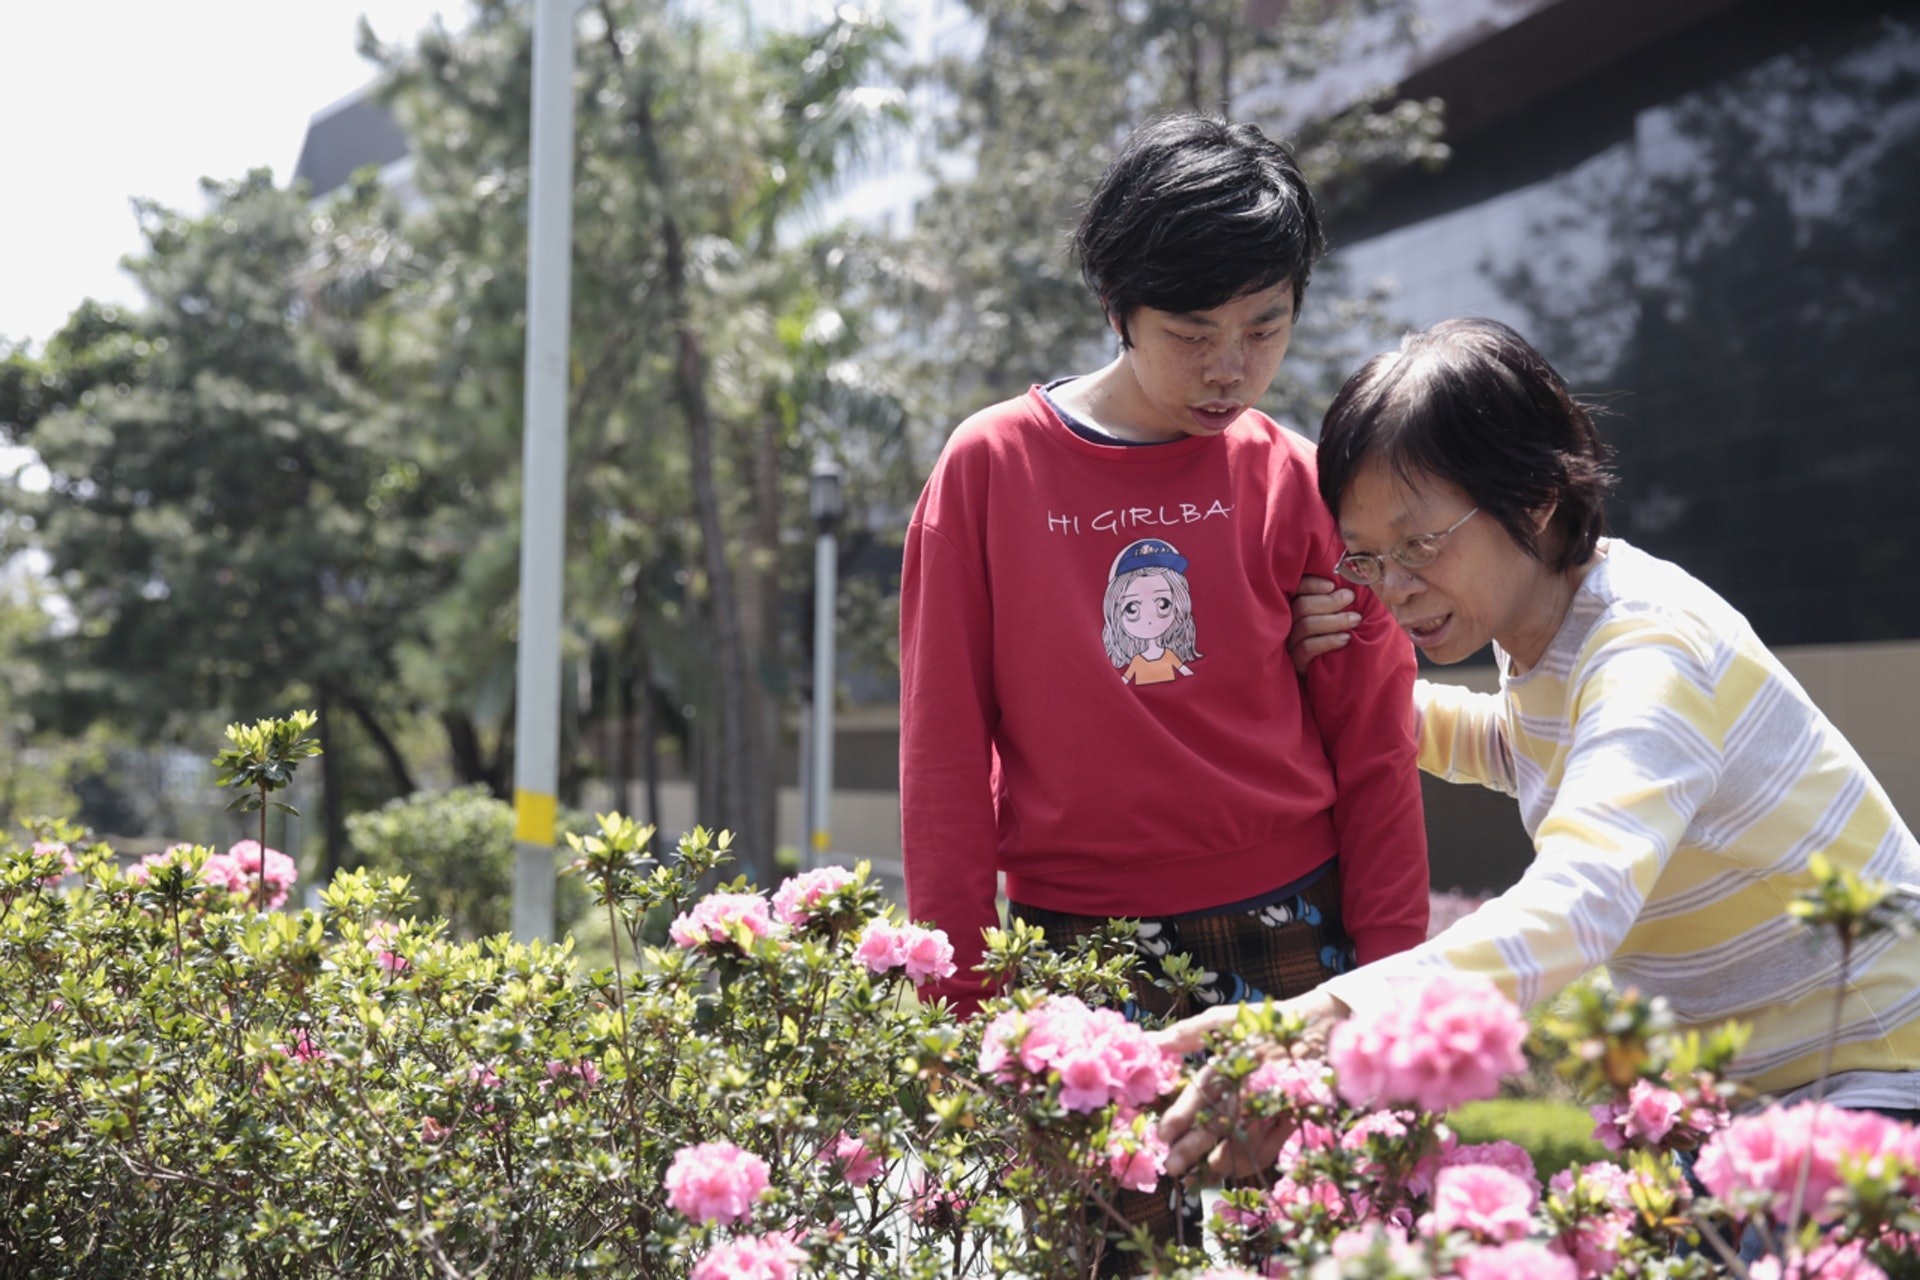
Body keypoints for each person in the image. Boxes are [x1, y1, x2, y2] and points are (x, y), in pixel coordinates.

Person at [1156, 316, 1920, 1182]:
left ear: (1534, 498)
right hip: (1764, 1106)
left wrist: (1331, 1012)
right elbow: (1514, 745)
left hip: (1885, 1078)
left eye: (1420, 544)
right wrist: (1321, 687)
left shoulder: (1646, 649)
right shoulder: (1551, 640)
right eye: (1366, 559)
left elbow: (1579, 901)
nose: (1395, 589)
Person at [897, 113, 1432, 1265]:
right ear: (1116, 307)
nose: (1231, 367)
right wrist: (963, 1003)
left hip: (1294, 933)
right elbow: (942, 751)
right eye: (1192, 332)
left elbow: (1377, 746)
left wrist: (1393, 977)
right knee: (1106, 1258)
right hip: (1076, 947)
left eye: (1264, 327)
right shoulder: (990, 468)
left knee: (1305, 1250)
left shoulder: (1298, 478)